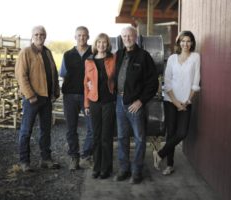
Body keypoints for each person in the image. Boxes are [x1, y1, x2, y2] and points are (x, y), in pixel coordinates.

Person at [114, 26, 158, 184]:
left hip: (135, 104)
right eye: (124, 36)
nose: (127, 38)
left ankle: (137, 171)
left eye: (130, 36)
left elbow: (153, 83)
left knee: (139, 138)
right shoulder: (118, 54)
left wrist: (141, 101)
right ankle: (124, 169)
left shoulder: (144, 56)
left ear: (136, 37)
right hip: (119, 102)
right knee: (122, 137)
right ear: (121, 38)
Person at [153, 30, 200, 175]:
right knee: (171, 132)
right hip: (170, 101)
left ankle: (159, 154)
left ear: (192, 43)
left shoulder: (196, 57)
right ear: (179, 42)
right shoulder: (172, 58)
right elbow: (167, 82)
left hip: (186, 101)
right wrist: (175, 102)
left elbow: (195, 82)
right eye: (183, 41)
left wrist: (187, 101)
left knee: (182, 133)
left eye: (188, 41)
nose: (185, 44)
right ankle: (170, 165)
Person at [15, 25, 60, 172]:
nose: (39, 36)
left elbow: (53, 73)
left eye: (42, 34)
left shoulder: (47, 52)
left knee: (45, 130)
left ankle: (45, 159)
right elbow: (21, 76)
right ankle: (24, 162)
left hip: (46, 98)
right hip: (32, 99)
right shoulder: (26, 52)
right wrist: (30, 95)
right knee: (26, 131)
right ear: (32, 37)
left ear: (45, 36)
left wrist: (55, 92)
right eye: (36, 34)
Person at [59, 26, 93, 170]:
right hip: (70, 96)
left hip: (89, 96)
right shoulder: (67, 54)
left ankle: (86, 155)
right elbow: (63, 74)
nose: (81, 38)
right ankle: (74, 157)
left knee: (92, 127)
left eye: (84, 35)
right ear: (75, 37)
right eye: (79, 35)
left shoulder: (94, 53)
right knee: (71, 128)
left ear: (88, 37)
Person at [84, 33, 116, 179]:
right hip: (94, 102)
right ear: (95, 44)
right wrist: (86, 104)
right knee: (96, 136)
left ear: (107, 44)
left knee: (106, 136)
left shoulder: (113, 58)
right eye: (99, 42)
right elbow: (86, 84)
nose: (101, 45)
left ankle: (106, 168)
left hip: (109, 101)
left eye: (104, 43)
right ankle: (96, 167)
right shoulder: (89, 61)